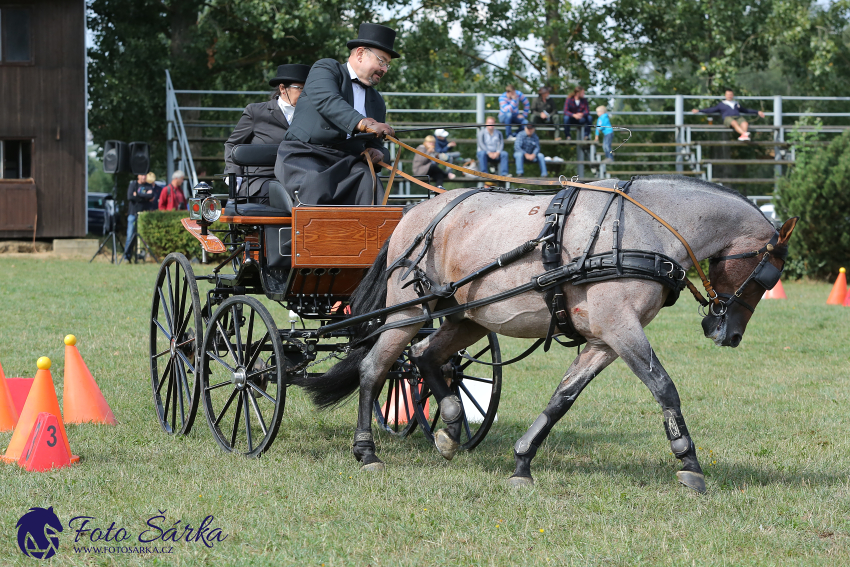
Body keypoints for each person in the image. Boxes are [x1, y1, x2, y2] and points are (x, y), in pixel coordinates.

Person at [275, 23, 398, 206]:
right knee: (315, 182)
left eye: (387, 64)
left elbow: (376, 144)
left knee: (369, 182)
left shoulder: (377, 101)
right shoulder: (326, 69)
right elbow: (328, 101)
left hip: (348, 163)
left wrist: (378, 153)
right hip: (307, 156)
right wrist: (364, 123)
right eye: (381, 61)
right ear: (360, 54)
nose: (385, 69)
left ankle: (373, 234)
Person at [224, 63, 312, 204]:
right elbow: (232, 144)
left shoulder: (311, 116)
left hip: (299, 178)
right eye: (301, 88)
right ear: (283, 89)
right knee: (281, 195)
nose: (306, 94)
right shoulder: (256, 112)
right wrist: (234, 176)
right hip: (261, 180)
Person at [692, 88, 765, 141]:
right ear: (725, 95)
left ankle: (744, 135)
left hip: (737, 117)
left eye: (731, 94)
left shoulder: (736, 103)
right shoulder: (721, 104)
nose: (729, 96)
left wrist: (757, 112)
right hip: (728, 118)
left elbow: (745, 110)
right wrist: (699, 110)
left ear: (733, 95)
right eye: (728, 94)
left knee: (745, 123)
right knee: (734, 122)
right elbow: (711, 109)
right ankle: (745, 134)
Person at [124, 173, 156, 260]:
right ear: (138, 176)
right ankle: (127, 256)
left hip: (143, 214)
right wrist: (145, 197)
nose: (144, 177)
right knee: (130, 235)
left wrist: (137, 195)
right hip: (133, 213)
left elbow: (151, 195)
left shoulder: (148, 185)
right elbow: (130, 196)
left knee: (143, 237)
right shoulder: (133, 184)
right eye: (142, 175)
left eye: (145, 175)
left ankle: (142, 256)